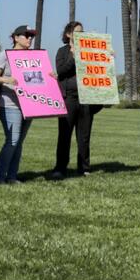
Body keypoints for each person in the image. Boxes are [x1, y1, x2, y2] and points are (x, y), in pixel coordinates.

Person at [51, 20, 95, 178]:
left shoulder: (88, 50)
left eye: (82, 32)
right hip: (68, 98)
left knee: (84, 136)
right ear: (69, 34)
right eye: (78, 32)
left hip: (85, 98)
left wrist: (106, 56)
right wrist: (73, 55)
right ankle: (60, 168)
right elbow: (61, 71)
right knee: (64, 135)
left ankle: (84, 167)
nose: (81, 35)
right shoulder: (62, 52)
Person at [0, 24, 35, 185]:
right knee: (12, 140)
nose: (30, 38)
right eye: (26, 35)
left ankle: (11, 177)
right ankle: (0, 178)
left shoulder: (33, 57)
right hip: (9, 104)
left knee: (19, 142)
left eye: (31, 36)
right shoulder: (5, 55)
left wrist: (50, 76)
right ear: (16, 38)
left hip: (29, 104)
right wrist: (7, 79)